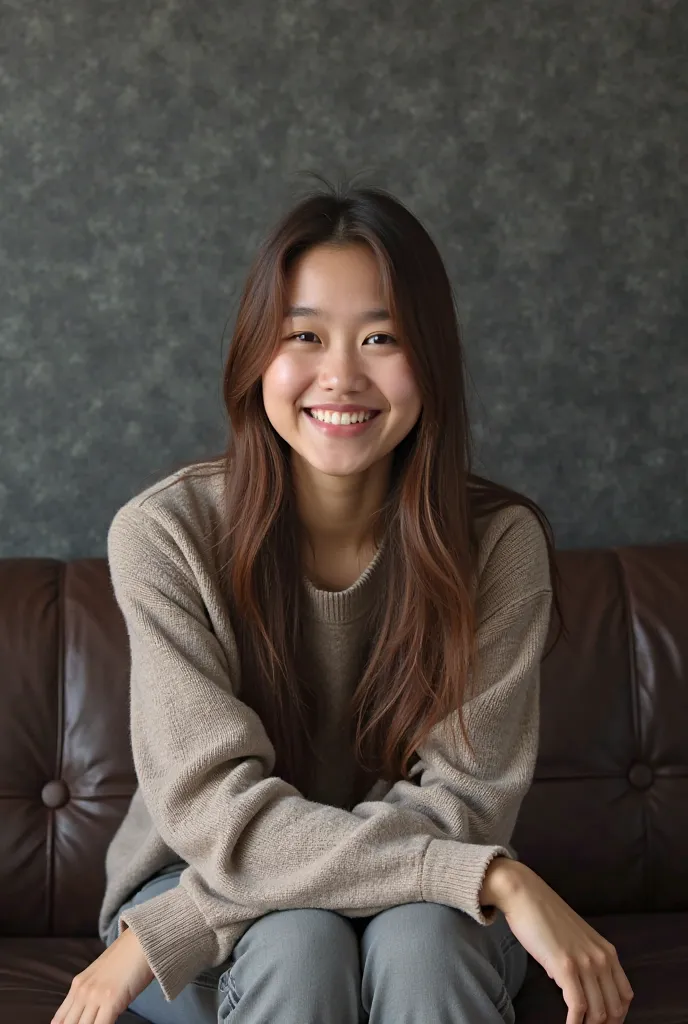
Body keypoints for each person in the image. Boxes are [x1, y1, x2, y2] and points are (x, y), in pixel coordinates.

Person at [51, 176, 634, 1024]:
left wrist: (471, 871)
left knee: (423, 942)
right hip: (202, 881)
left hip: (408, 898)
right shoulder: (165, 533)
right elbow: (222, 823)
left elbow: (465, 806)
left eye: (382, 338)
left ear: (432, 359)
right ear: (258, 354)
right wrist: (496, 876)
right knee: (302, 940)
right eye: (305, 336)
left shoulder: (500, 544)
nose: (341, 375)